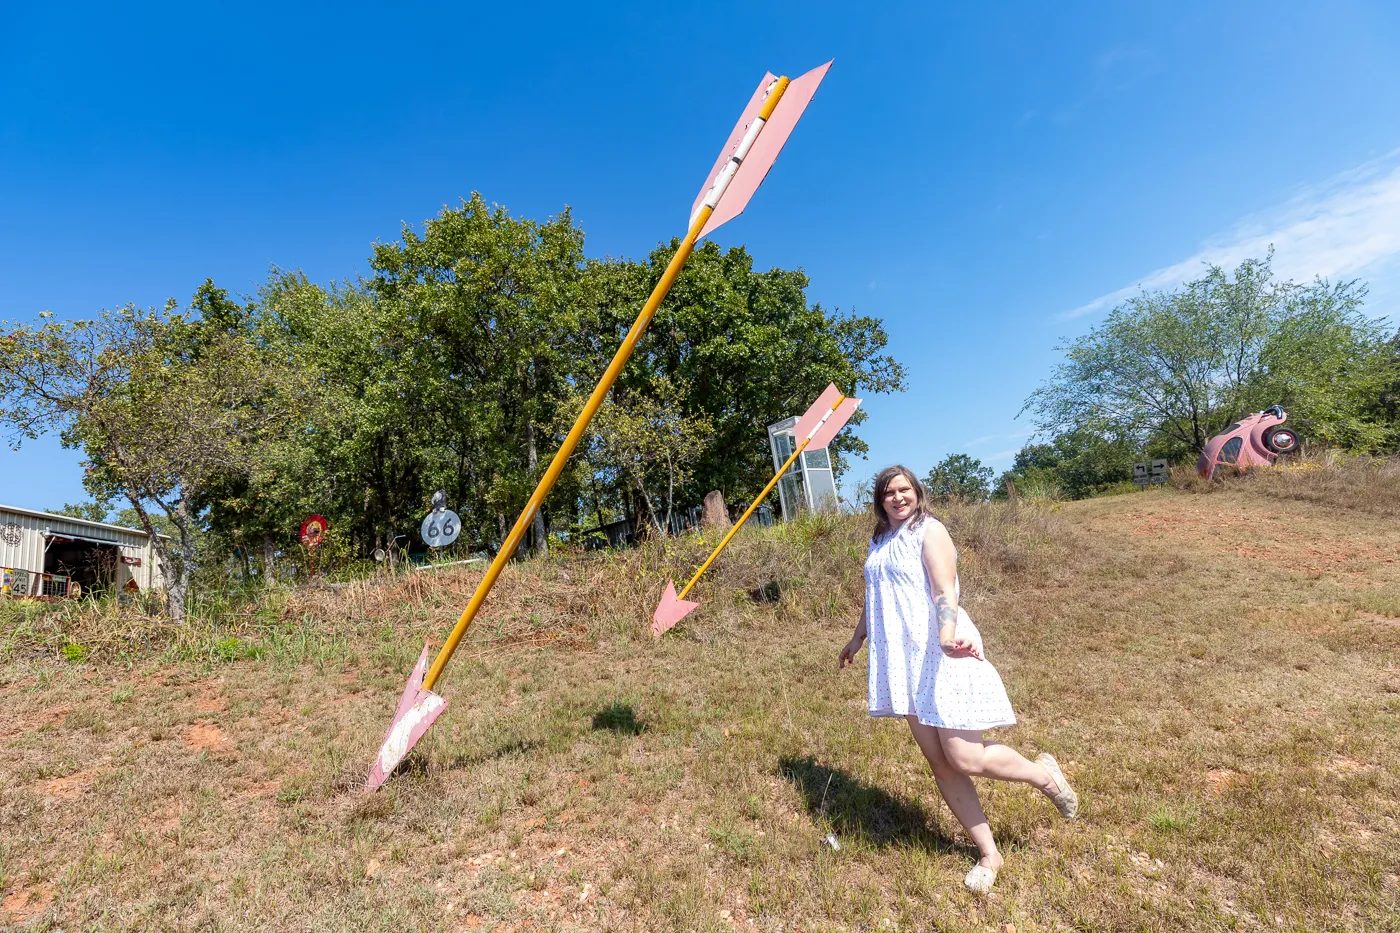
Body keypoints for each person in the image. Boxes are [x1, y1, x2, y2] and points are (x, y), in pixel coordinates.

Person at [837, 465, 1077, 894]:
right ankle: (989, 853)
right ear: (880, 500)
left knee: (963, 757)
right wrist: (857, 639)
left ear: (916, 492)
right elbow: (878, 598)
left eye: (904, 490)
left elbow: (944, 590)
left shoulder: (930, 531)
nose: (897, 498)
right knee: (940, 763)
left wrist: (947, 635)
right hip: (901, 660)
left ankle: (1043, 775)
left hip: (938, 650)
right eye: (889, 492)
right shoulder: (880, 540)